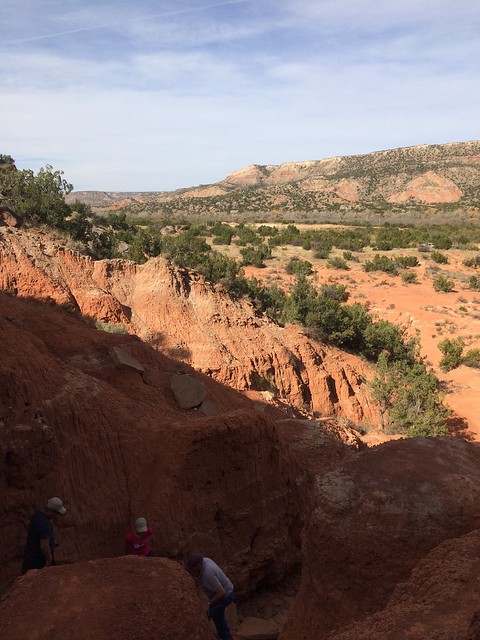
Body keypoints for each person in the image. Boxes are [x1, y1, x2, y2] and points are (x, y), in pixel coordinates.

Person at [186, 552, 235, 640]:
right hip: (226, 589)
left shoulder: (207, 574)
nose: (191, 572)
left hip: (226, 595)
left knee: (210, 613)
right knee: (218, 616)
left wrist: (209, 603)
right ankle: (224, 635)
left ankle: (225, 637)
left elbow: (221, 592)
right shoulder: (205, 560)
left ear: (198, 565)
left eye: (192, 569)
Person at [22, 497, 67, 574]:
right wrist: (49, 560)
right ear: (50, 510)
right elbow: (44, 547)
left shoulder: (39, 513)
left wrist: (52, 541)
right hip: (39, 558)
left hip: (30, 554)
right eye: (57, 513)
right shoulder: (45, 524)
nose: (58, 516)